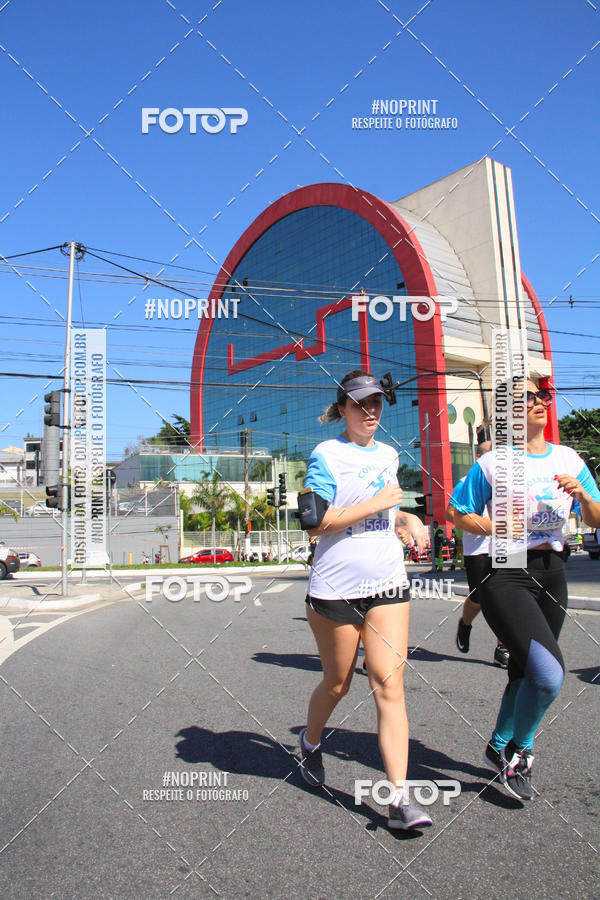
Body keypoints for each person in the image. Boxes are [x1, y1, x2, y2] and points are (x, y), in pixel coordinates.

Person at [452, 380, 600, 801]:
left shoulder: (569, 458)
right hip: (507, 572)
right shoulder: (493, 464)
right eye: (526, 399)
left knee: (524, 671)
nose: (538, 403)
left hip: (553, 572)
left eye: (542, 397)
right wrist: (499, 526)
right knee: (549, 675)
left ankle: (498, 746)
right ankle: (521, 748)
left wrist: (582, 496)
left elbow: (596, 517)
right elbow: (457, 513)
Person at [299, 370, 432, 830]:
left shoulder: (389, 455)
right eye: (359, 403)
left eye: (375, 402)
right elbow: (315, 522)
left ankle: (400, 799)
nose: (369, 410)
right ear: (342, 409)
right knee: (337, 684)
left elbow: (385, 513)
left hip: (387, 583)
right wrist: (378, 504)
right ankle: (310, 743)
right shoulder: (327, 454)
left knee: (388, 683)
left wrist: (408, 519)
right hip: (334, 589)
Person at [447, 442, 510, 669]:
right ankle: (465, 624)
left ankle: (503, 648)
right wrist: (482, 522)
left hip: (504, 547)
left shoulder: (508, 482)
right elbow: (451, 513)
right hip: (478, 549)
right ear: (480, 457)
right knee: (478, 599)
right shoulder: (465, 482)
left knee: (505, 597)